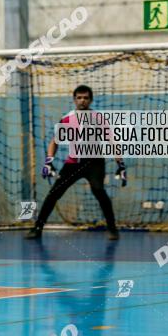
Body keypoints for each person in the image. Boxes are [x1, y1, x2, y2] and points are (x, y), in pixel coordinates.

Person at [25, 85, 125, 240]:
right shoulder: (67, 119)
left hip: (95, 163)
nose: (82, 101)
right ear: (74, 100)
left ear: (90, 100)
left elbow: (112, 141)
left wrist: (121, 165)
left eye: (85, 98)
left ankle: (112, 229)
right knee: (54, 193)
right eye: (79, 98)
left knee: (99, 191)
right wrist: (48, 162)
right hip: (73, 163)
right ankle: (37, 229)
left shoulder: (99, 119)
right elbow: (54, 141)